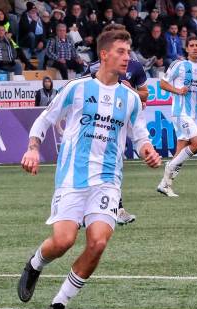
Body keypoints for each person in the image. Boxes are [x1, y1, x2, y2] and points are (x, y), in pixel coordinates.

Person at [17, 28, 162, 309]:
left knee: (97, 243)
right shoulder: (78, 88)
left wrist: (148, 150)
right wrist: (32, 148)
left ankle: (59, 303)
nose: (127, 58)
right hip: (73, 177)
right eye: (121, 52)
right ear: (104, 55)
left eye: (129, 52)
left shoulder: (130, 98)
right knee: (63, 241)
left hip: (108, 181)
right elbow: (46, 119)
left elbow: (140, 135)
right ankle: (35, 264)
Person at [84, 23, 151, 225]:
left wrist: (130, 91)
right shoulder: (93, 68)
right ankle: (85, 210)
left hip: (119, 122)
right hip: (97, 122)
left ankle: (117, 208)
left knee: (115, 162)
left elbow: (145, 95)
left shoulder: (135, 66)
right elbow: (85, 94)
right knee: (89, 164)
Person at [157, 35, 197, 197]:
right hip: (180, 112)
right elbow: (162, 83)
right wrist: (177, 91)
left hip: (192, 114)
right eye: (192, 45)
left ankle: (165, 185)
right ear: (187, 48)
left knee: (181, 150)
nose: (195, 48)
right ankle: (169, 166)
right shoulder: (179, 64)